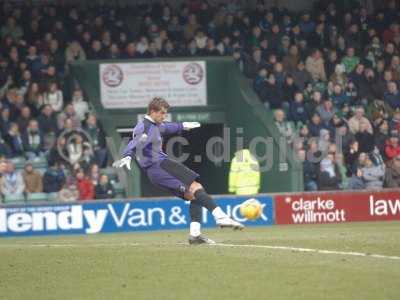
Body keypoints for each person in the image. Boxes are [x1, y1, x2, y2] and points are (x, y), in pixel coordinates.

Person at [113, 98, 244, 245]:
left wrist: (183, 125)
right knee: (196, 187)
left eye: (165, 113)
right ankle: (221, 216)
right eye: (162, 113)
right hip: (161, 165)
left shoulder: (156, 125)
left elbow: (168, 127)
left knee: (192, 196)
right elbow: (134, 142)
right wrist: (127, 155)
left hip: (155, 173)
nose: (164, 116)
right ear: (153, 111)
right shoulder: (143, 127)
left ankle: (195, 236)